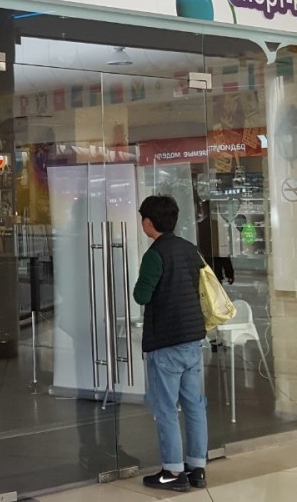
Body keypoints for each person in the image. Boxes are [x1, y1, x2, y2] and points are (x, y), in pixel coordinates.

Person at [133, 194, 208, 492]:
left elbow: (142, 295)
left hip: (166, 341)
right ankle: (197, 468)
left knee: (165, 408)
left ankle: (173, 472)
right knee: (194, 405)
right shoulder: (190, 249)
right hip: (192, 339)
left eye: (142, 218)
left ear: (148, 222)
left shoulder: (155, 254)